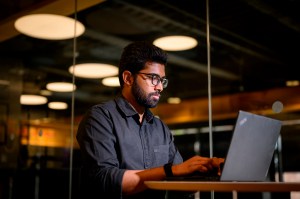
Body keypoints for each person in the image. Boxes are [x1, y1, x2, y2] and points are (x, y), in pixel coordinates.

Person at [76, 41, 224, 199]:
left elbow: (181, 181)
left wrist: (206, 170)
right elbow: (104, 180)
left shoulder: (160, 128)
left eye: (162, 80)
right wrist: (169, 171)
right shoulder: (100, 117)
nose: (159, 87)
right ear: (128, 78)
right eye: (153, 78)